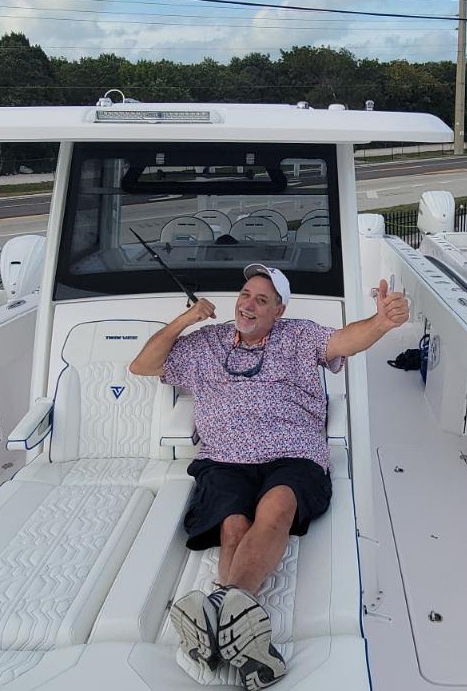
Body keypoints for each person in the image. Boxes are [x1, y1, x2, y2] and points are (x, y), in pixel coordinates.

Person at [128, 264, 409, 688]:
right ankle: (242, 634)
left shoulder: (298, 336)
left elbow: (346, 340)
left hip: (292, 452)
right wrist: (185, 319)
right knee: (233, 527)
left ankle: (218, 613)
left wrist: (382, 322)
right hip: (224, 457)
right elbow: (143, 365)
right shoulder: (206, 343)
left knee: (276, 509)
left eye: (262, 300)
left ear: (279, 310)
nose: (249, 305)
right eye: (245, 295)